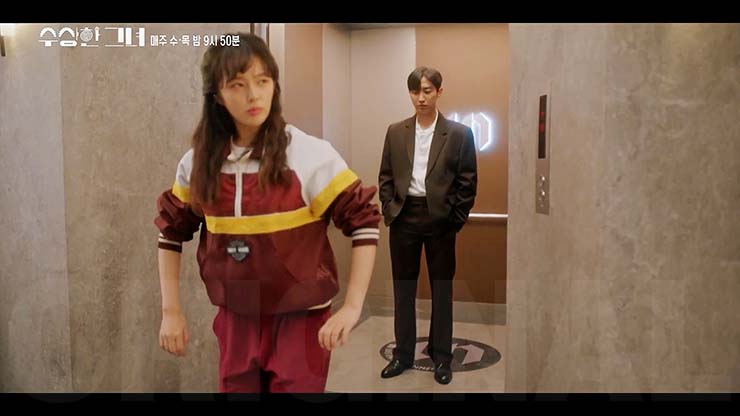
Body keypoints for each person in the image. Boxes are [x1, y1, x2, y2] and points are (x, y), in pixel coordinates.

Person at [154, 32, 380, 393]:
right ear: (216, 94)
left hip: (300, 321)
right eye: (238, 84)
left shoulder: (309, 154)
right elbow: (171, 232)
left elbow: (364, 222)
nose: (254, 95)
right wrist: (171, 312)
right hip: (236, 321)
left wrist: (353, 307)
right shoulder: (197, 164)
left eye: (263, 81)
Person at [377, 66, 477, 385]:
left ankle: (442, 357)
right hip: (404, 217)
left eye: (427, 91)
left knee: (442, 291)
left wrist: (454, 219)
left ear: (439, 92)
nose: (420, 98)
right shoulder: (396, 131)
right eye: (414, 91)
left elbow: (467, 181)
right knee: (403, 290)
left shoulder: (459, 133)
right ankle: (403, 355)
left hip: (440, 221)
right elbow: (385, 176)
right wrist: (390, 208)